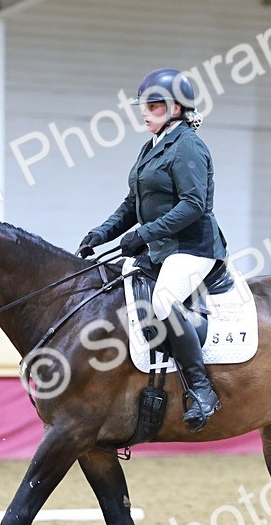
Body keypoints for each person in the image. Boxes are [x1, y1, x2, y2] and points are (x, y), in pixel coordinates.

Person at [78, 68, 227, 432]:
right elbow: (132, 203)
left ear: (176, 108)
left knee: (163, 301)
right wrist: (101, 233)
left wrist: (143, 235)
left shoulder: (188, 145)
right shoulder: (153, 146)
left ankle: (202, 389)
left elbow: (193, 204)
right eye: (143, 106)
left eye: (153, 105)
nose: (144, 112)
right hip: (162, 248)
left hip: (193, 247)